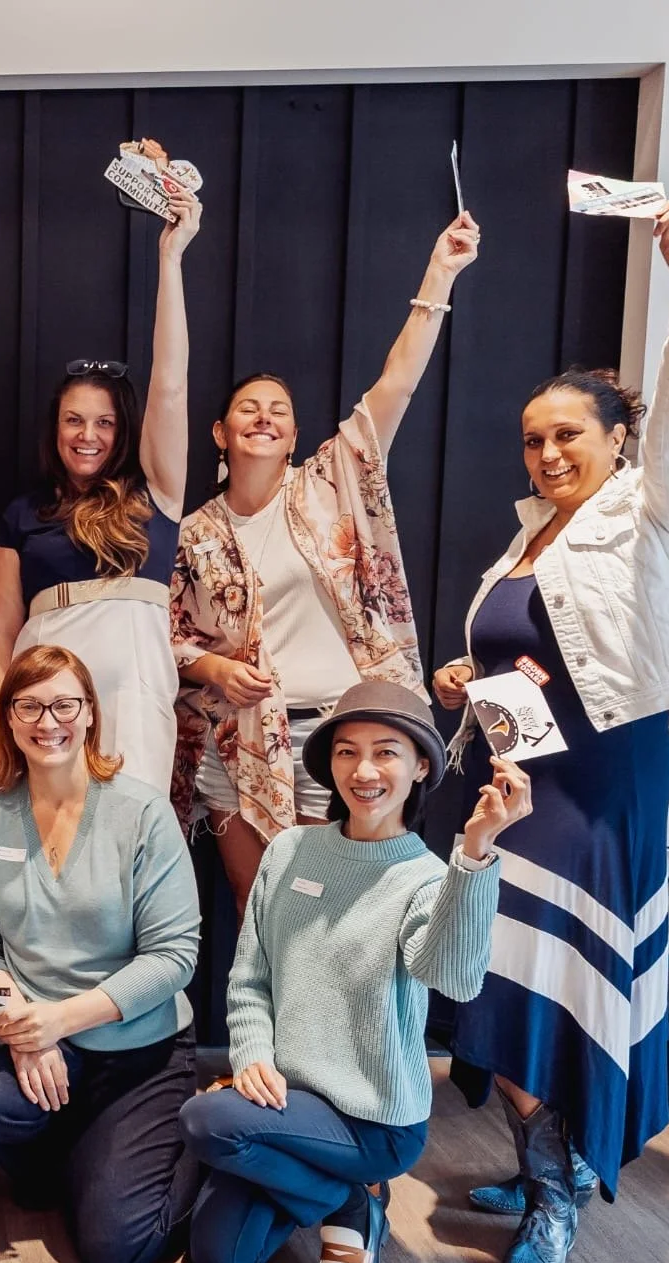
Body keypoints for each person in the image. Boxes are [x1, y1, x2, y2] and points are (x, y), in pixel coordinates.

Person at [429, 198, 669, 1263]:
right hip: (515, 782)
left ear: (614, 442)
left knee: (558, 975)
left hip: (598, 785)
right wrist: (465, 676)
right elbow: (526, 654)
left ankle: (555, 1187)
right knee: (497, 978)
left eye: (567, 435)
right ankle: (537, 1151)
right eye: (533, 438)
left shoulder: (648, 510)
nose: (547, 451)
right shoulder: (529, 533)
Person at [179, 682, 531, 1263]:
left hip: (374, 1118)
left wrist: (475, 854)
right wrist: (252, 1053)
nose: (363, 771)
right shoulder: (290, 850)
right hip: (285, 1100)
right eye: (347, 752)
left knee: (208, 1121)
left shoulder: (428, 878)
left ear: (422, 764)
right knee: (218, 1259)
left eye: (385, 752)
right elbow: (250, 976)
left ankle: (350, 1195)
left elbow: (455, 979)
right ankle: (350, 1197)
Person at [170, 213, 479, 918]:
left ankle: (337, 1031)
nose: (264, 416)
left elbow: (397, 385)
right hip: (239, 743)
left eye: (279, 410)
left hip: (340, 737)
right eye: (248, 407)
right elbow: (168, 635)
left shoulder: (330, 484)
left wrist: (440, 274)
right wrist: (214, 668)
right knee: (260, 912)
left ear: (295, 434)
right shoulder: (194, 532)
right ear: (220, 433)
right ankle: (270, 1033)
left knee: (334, 913)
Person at [0, 645, 202, 1263]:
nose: (46, 720)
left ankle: (203, 1143)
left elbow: (174, 957)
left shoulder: (143, 813)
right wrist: (27, 1029)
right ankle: (66, 1156)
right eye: (28, 705)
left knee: (119, 1249)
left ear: (89, 715)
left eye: (63, 703)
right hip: (32, 1031)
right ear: (8, 719)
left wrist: (62, 1021)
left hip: (137, 1046)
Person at [0, 188, 199, 797]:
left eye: (103, 423)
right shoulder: (23, 514)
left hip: (135, 691)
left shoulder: (157, 493)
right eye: (74, 420)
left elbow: (171, 385)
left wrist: (171, 259)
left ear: (123, 430)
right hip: (43, 697)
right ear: (55, 428)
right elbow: (0, 632)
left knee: (131, 838)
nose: (87, 435)